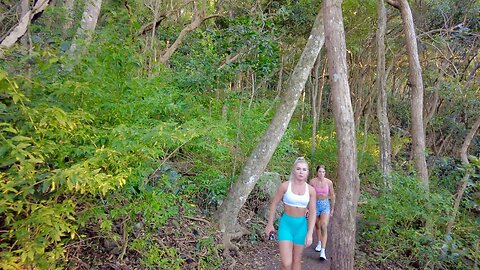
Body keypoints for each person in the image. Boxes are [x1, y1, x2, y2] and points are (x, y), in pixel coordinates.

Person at [265, 157, 317, 270]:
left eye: (304, 169)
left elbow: (313, 212)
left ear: (308, 172)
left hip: (301, 226)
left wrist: (310, 233)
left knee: (297, 260)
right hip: (286, 225)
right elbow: (273, 204)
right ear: (294, 170)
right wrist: (270, 224)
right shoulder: (285, 186)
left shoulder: (311, 190)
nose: (301, 172)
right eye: (298, 169)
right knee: (286, 263)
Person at [309, 165, 335, 261]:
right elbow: (308, 195)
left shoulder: (329, 182)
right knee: (317, 226)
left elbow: (332, 195)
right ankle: (319, 242)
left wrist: (332, 209)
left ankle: (323, 251)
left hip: (325, 205)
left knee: (323, 225)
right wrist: (308, 208)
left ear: (325, 173)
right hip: (315, 204)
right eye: (320, 171)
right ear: (317, 172)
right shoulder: (312, 182)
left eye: (323, 172)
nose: (321, 173)